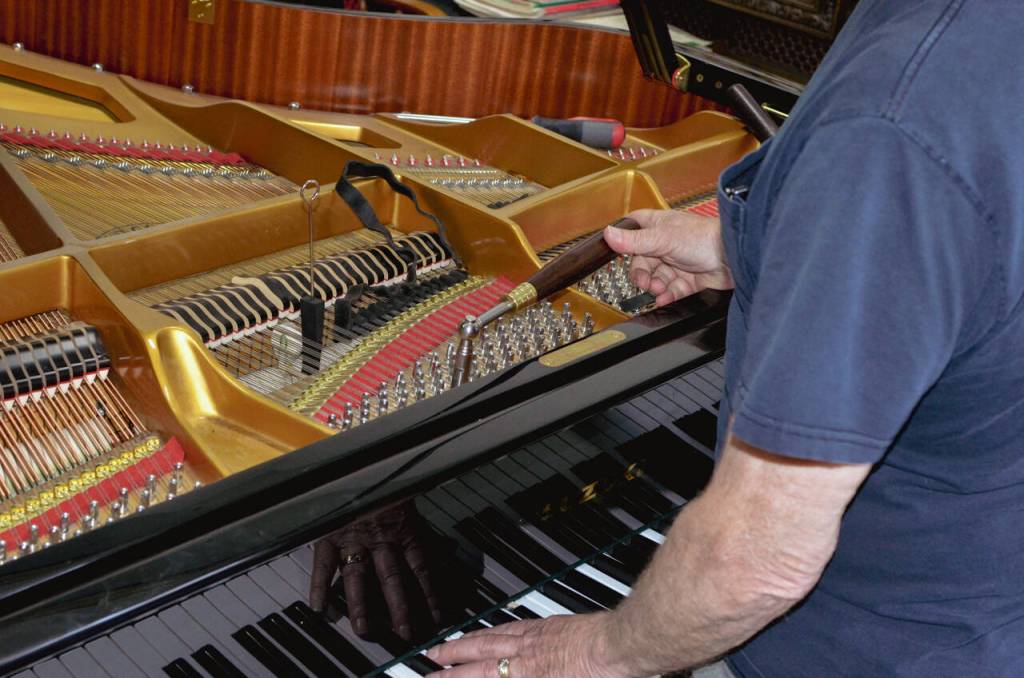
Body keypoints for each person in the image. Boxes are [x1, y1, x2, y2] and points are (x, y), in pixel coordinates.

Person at [426, 1, 1024, 675]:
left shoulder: (892, 125)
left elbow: (758, 562)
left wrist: (597, 652)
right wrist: (756, 248)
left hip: (864, 651)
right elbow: (975, 247)